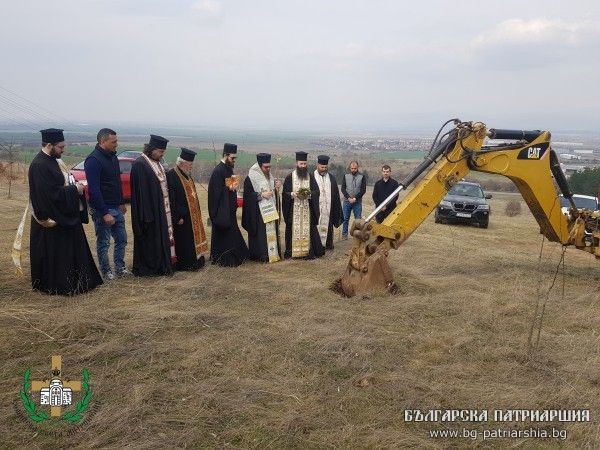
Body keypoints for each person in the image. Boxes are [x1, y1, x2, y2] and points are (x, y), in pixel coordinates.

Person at [28, 128, 103, 295]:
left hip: (65, 213)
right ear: (49, 145)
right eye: (60, 147)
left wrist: (74, 186)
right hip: (52, 219)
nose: (63, 150)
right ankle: (60, 285)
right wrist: (74, 190)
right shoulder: (39, 165)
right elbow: (48, 195)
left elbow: (62, 184)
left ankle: (79, 281)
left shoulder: (54, 161)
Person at [84, 128, 129, 280]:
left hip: (116, 206)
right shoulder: (93, 160)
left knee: (121, 239)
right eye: (113, 141)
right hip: (103, 210)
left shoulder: (112, 157)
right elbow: (94, 190)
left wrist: (121, 202)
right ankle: (106, 271)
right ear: (103, 141)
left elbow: (116, 181)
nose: (117, 144)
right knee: (104, 243)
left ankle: (120, 268)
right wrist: (104, 212)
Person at [130, 134, 175, 276]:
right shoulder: (140, 165)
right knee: (150, 241)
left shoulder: (157, 163)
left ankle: (161, 265)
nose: (162, 155)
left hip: (160, 210)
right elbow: (141, 194)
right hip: (148, 214)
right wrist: (147, 215)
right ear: (152, 149)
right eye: (161, 152)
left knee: (160, 239)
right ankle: (150, 268)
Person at [167, 148, 209, 271]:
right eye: (190, 164)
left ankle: (197, 260)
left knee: (192, 239)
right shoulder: (171, 175)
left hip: (193, 215)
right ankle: (186, 264)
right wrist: (177, 216)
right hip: (182, 217)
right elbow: (171, 199)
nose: (191, 166)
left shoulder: (188, 176)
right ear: (182, 163)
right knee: (184, 241)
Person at [207, 143, 249, 267]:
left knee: (232, 235)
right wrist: (228, 188)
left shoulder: (228, 168)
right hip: (221, 211)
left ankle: (236, 256)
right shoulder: (218, 170)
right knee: (225, 236)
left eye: (235, 158)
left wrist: (232, 188)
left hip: (230, 209)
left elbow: (230, 187)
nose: (234, 160)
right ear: (225, 155)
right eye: (232, 158)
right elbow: (215, 193)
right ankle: (224, 259)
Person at [282, 151, 325, 259]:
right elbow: (285, 194)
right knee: (292, 229)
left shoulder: (310, 177)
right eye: (301, 164)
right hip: (294, 210)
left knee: (309, 229)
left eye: (305, 164)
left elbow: (316, 192)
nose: (303, 166)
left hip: (306, 210)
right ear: (297, 163)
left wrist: (308, 194)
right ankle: (292, 251)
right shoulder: (289, 177)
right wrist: (292, 194)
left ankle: (307, 251)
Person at [242, 153, 282, 262]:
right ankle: (261, 255)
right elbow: (247, 196)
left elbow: (274, 193)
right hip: (258, 212)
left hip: (270, 211)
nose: (268, 169)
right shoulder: (250, 178)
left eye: (270, 167)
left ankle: (273, 254)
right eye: (266, 167)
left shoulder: (270, 176)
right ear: (260, 166)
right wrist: (260, 195)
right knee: (261, 236)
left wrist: (277, 187)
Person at [313, 155, 342, 250]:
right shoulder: (311, 177)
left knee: (328, 227)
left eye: (325, 167)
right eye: (322, 167)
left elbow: (336, 195)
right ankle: (317, 246)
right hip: (316, 210)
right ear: (317, 165)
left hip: (328, 209)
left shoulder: (331, 178)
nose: (324, 169)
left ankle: (328, 245)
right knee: (316, 226)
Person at [341, 160, 367, 239]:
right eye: (352, 168)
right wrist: (348, 198)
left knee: (358, 220)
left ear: (357, 168)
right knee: (345, 219)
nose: (353, 170)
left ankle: (357, 235)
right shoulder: (345, 176)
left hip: (357, 202)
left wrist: (355, 198)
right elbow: (343, 188)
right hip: (346, 201)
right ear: (350, 168)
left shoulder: (362, 177)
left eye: (355, 168)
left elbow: (363, 190)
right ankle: (344, 235)